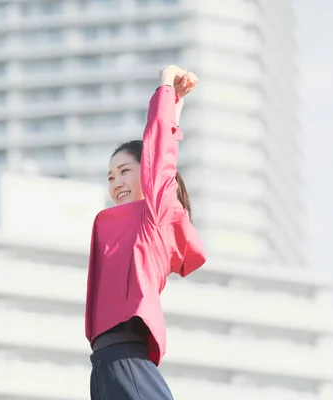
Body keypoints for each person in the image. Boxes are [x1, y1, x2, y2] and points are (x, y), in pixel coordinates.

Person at [85, 65, 207, 400]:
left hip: (127, 360)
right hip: (104, 368)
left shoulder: (154, 215)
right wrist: (174, 108)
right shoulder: (119, 226)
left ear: (146, 173)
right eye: (110, 177)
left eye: (125, 171)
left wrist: (166, 88)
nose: (116, 183)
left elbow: (161, 156)